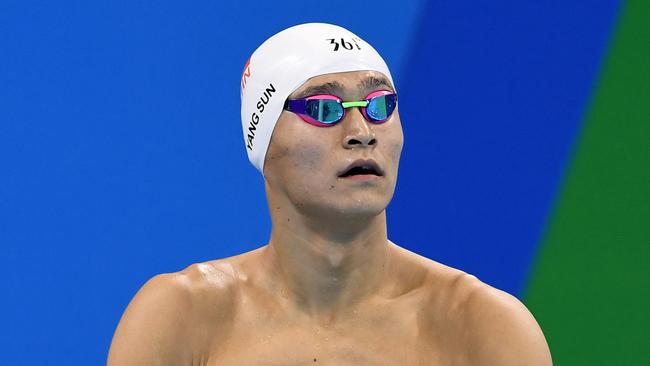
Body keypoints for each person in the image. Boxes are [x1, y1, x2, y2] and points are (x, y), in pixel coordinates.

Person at [107, 23, 552, 365]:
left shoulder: (482, 327)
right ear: (263, 143)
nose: (361, 133)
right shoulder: (181, 317)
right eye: (324, 109)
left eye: (380, 106)